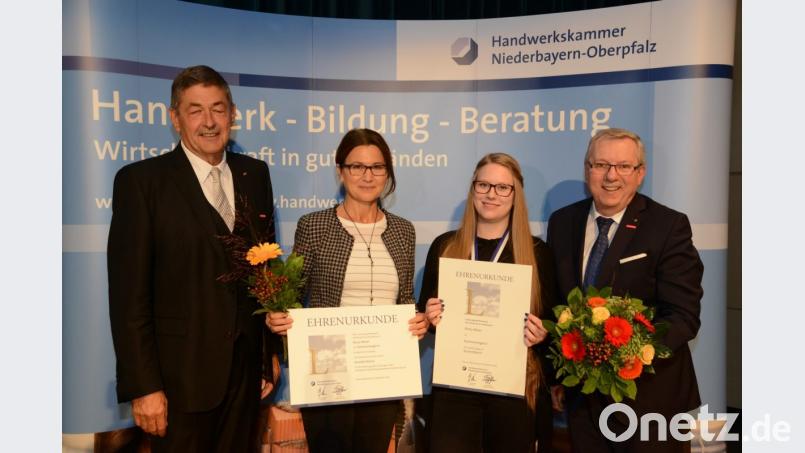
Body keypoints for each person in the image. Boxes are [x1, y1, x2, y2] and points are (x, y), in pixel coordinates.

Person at [108, 65, 275, 452]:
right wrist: (145, 387)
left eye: (218, 108)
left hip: (244, 376)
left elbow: (265, 271)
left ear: (233, 114)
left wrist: (269, 354)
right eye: (196, 109)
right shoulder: (141, 183)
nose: (210, 122)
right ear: (175, 117)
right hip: (178, 381)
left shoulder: (255, 174)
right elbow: (128, 295)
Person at [266, 128, 429, 453]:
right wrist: (278, 319)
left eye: (377, 167)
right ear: (341, 171)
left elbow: (405, 301)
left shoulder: (402, 231)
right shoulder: (314, 226)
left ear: (388, 172)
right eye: (357, 166)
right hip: (328, 375)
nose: (367, 176)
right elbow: (292, 296)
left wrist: (418, 322)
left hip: (381, 376)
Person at [547, 128, 703, 452]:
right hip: (584, 403)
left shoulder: (668, 226)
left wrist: (627, 353)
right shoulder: (563, 222)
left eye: (623, 166)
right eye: (601, 165)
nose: (611, 176)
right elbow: (558, 304)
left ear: (640, 173)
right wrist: (558, 375)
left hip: (651, 403)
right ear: (587, 168)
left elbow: (684, 316)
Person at [418, 153, 557, 453]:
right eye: (484, 185)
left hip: (514, 392)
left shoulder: (538, 252)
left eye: (502, 187)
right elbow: (425, 320)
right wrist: (430, 317)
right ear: (472, 189)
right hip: (454, 391)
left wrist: (543, 333)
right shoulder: (445, 246)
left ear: (516, 194)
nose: (491, 194)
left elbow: (553, 323)